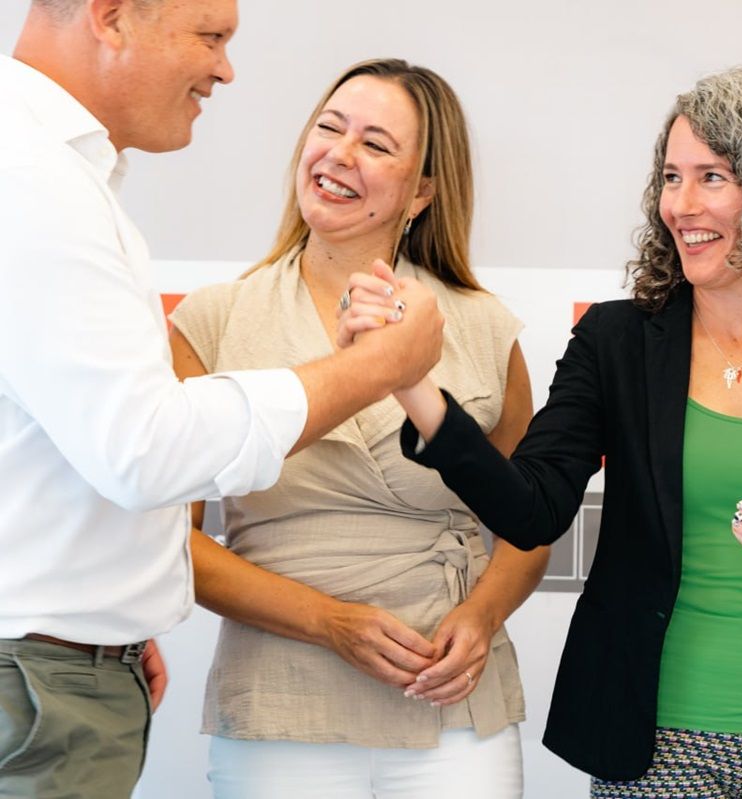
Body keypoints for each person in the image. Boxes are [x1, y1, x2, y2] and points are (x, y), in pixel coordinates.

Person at [344, 66, 742, 797]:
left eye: (711, 176)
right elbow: (532, 506)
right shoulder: (618, 339)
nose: (679, 204)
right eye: (671, 177)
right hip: (653, 745)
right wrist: (410, 383)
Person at [0, 3, 443, 797]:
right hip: (43, 685)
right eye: (211, 37)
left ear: (422, 193)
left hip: (65, 669)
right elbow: (147, 450)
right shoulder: (35, 183)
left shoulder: (58, 179)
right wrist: (376, 370)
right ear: (109, 17)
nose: (225, 69)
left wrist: (114, 615)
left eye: (377, 144)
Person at [169, 58, 547, 799]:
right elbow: (173, 540)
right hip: (281, 705)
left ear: (424, 189)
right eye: (330, 128)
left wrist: (481, 614)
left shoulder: (483, 327)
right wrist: (327, 620)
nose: (340, 155)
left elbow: (529, 524)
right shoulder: (212, 320)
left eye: (376, 144)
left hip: (453, 710)